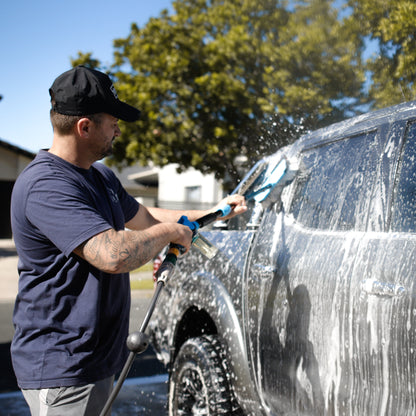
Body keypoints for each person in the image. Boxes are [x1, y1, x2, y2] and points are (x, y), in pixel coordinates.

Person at [10, 65, 247, 416]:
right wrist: (171, 234)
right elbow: (112, 255)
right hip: (61, 368)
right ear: (84, 127)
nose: (119, 130)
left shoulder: (100, 176)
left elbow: (146, 219)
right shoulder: (45, 186)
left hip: (97, 360)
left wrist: (214, 212)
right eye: (113, 121)